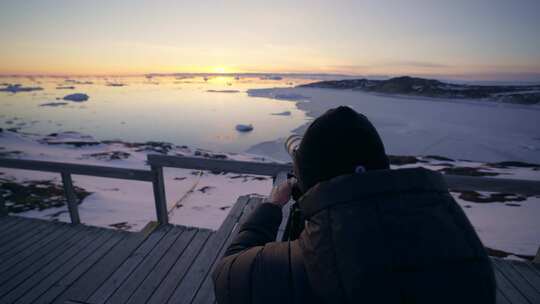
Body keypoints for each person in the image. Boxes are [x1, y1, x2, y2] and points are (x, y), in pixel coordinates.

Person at [212, 106, 496, 304]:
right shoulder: (464, 254)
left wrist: (272, 207)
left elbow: (227, 273)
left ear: (309, 180)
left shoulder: (293, 271)